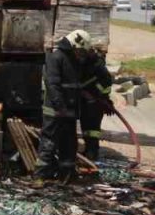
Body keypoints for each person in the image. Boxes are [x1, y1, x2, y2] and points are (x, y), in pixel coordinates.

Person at [37, 29, 93, 180]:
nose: (80, 55)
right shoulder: (55, 57)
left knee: (69, 144)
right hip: (55, 111)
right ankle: (40, 176)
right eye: (80, 51)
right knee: (48, 143)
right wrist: (60, 106)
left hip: (69, 111)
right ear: (75, 45)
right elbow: (52, 84)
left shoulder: (72, 60)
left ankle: (66, 175)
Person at [77, 46, 114, 162]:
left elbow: (107, 83)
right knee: (87, 129)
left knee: (92, 129)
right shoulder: (83, 64)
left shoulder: (96, 65)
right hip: (88, 101)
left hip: (95, 102)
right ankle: (89, 151)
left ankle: (92, 153)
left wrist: (99, 96)